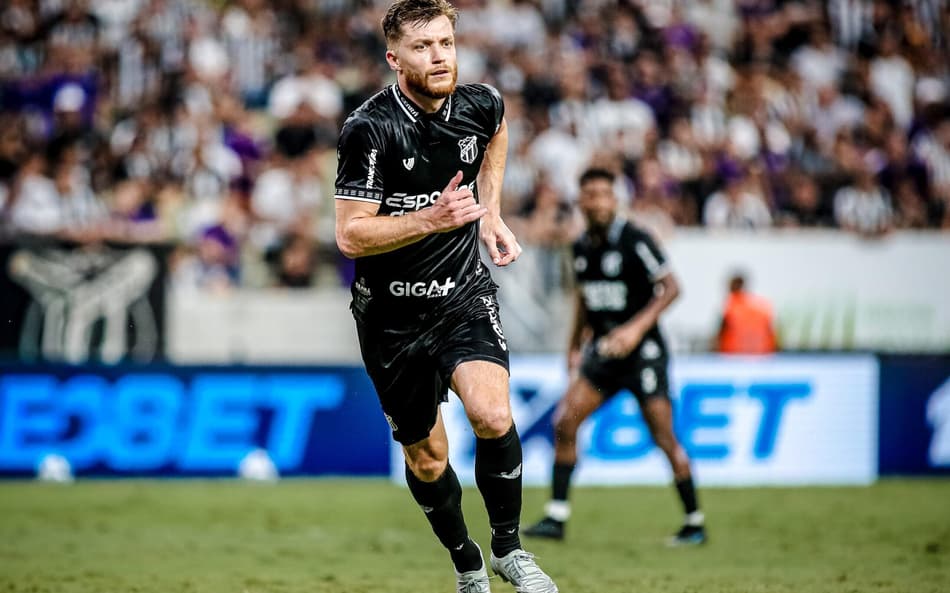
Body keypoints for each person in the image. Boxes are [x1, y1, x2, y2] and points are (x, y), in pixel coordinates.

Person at [333, 2, 558, 592]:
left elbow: (499, 130)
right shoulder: (368, 129)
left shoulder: (481, 104)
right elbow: (350, 234)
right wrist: (431, 219)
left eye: (447, 43)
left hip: (461, 295)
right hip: (390, 318)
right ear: (395, 57)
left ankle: (510, 550)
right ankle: (467, 565)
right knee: (427, 459)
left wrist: (491, 212)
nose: (439, 56)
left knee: (491, 413)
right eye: (424, 47)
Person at [523, 167, 707, 546]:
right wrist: (573, 346)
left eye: (603, 194)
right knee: (565, 422)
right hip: (604, 354)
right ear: (582, 201)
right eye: (589, 194)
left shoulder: (635, 238)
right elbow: (585, 300)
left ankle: (694, 521)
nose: (597, 201)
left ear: (615, 199)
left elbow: (672, 288)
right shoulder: (580, 247)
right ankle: (556, 517)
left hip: (644, 354)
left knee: (664, 436)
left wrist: (634, 330)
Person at [716, 272, 777, 354]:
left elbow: (720, 333)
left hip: (734, 357)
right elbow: (771, 332)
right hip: (762, 356)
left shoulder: (731, 307)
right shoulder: (762, 306)